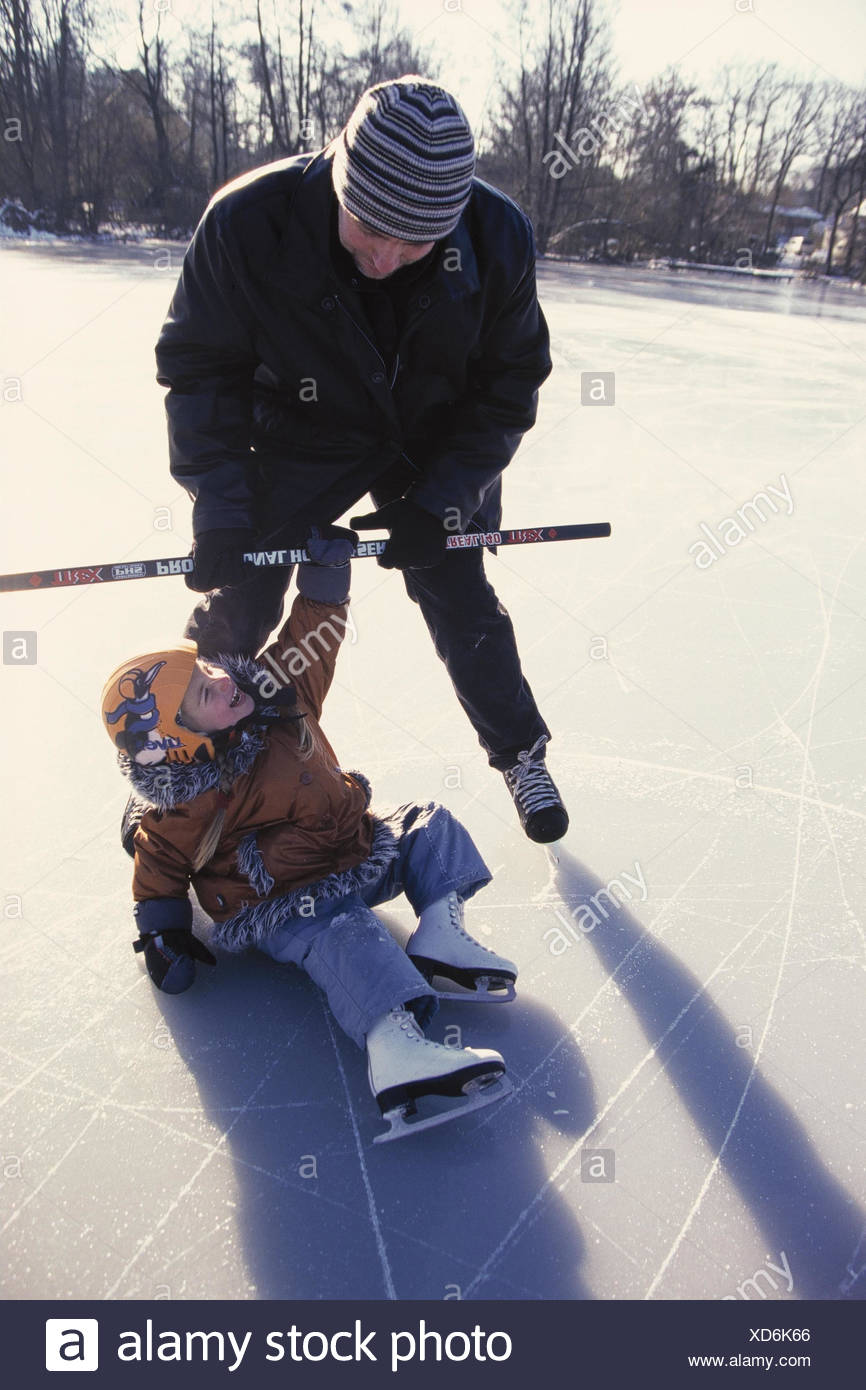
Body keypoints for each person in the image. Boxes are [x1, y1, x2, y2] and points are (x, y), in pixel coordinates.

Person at [155, 75, 568, 845]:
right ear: (341, 176)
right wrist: (220, 508)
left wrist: (445, 502)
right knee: (241, 591)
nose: (385, 256)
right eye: (367, 226)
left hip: (432, 442)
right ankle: (180, 761)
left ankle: (520, 754)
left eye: (415, 243)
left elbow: (510, 387)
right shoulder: (249, 222)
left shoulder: (497, 236)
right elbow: (200, 370)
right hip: (300, 432)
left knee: (459, 593)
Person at [101, 532, 515, 1142]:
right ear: (179, 745)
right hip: (278, 899)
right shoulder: (189, 795)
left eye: (206, 669)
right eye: (198, 696)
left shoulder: (274, 691)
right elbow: (158, 859)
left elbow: (311, 641)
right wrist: (163, 932)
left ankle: (439, 940)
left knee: (430, 824)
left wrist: (324, 575)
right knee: (349, 932)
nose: (219, 679)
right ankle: (397, 1053)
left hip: (351, 845)